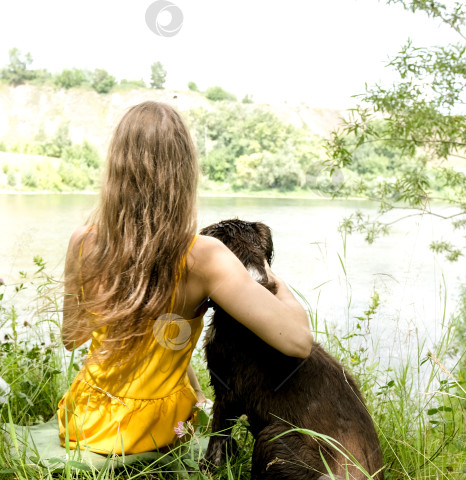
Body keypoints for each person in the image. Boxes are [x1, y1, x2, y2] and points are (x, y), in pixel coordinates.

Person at [57, 101, 312, 455]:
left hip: (86, 419)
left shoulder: (82, 241)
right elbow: (298, 341)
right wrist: (273, 279)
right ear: (184, 172)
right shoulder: (204, 256)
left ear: (115, 170)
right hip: (156, 428)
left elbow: (72, 338)